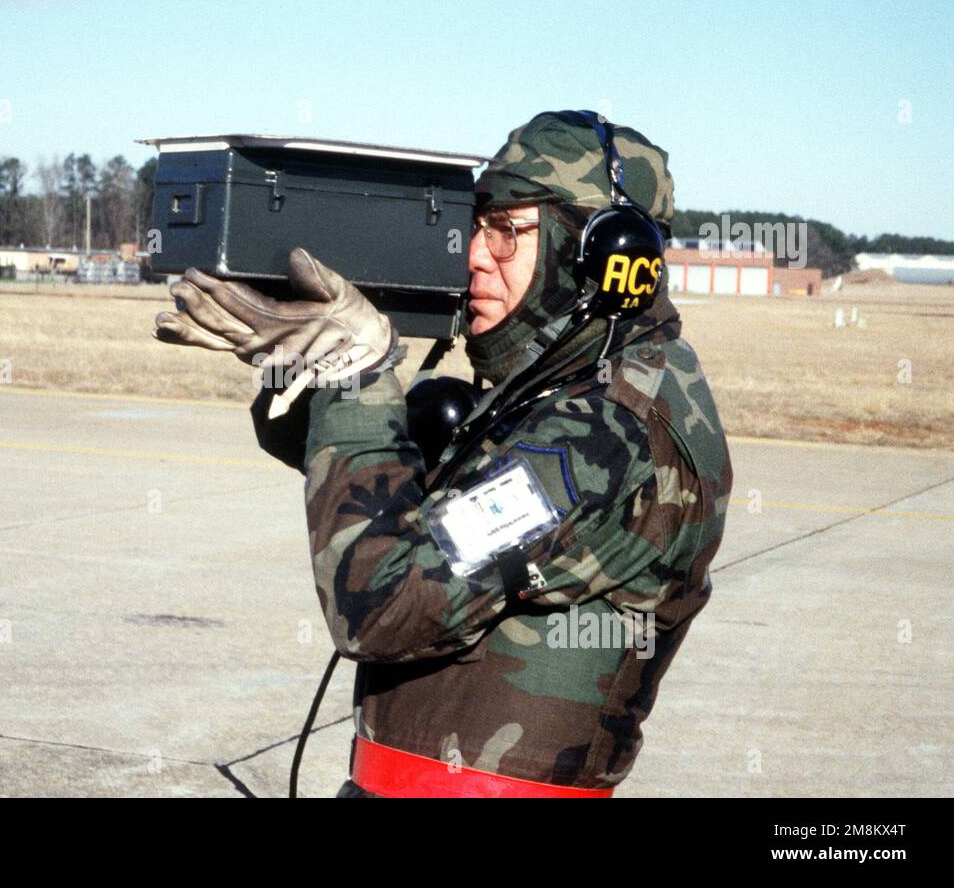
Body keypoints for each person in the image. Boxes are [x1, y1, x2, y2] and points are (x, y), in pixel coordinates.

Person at [154, 110, 731, 797]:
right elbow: (367, 476)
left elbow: (378, 604)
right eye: (475, 226)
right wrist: (320, 371)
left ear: (603, 255)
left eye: (508, 233)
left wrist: (357, 377)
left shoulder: (605, 434)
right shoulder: (564, 388)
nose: (474, 256)